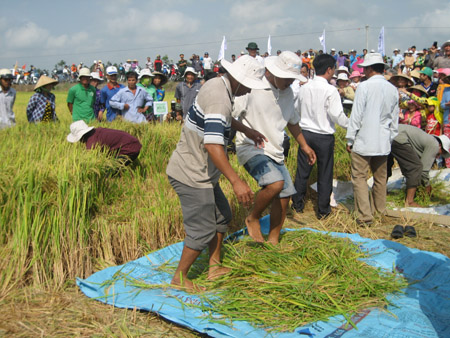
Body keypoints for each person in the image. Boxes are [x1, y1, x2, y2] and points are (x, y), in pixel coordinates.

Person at [165, 55, 268, 291]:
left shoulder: (217, 84)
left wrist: (246, 130)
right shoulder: (220, 97)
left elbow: (221, 119)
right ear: (240, 81)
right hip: (192, 174)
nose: (250, 90)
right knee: (202, 229)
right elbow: (213, 145)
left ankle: (214, 267)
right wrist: (236, 181)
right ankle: (179, 278)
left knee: (222, 216)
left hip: (203, 172)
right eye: (250, 85)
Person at [233, 51, 316, 244]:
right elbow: (230, 114)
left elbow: (292, 122)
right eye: (287, 78)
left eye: (292, 79)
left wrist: (304, 146)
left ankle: (273, 241)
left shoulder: (288, 93)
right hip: (251, 147)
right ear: (274, 72)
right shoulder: (254, 87)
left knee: (285, 195)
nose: (289, 83)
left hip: (275, 150)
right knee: (275, 184)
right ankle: (253, 217)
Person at [292, 54, 349, 218]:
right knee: (325, 173)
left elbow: (296, 109)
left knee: (302, 172)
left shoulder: (304, 88)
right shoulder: (330, 90)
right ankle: (323, 210)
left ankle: (297, 205)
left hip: (306, 134)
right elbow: (336, 115)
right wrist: (353, 125)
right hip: (324, 136)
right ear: (329, 70)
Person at [346, 53, 399, 225]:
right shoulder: (392, 89)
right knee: (380, 178)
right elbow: (395, 118)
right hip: (382, 141)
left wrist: (350, 138)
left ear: (369, 69)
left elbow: (357, 114)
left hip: (364, 139)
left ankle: (365, 216)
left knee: (360, 177)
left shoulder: (364, 87)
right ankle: (380, 210)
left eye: (365, 69)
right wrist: (390, 138)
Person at [389, 124, 450, 206]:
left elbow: (406, 164)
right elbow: (423, 171)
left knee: (387, 164)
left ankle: (380, 193)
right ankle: (409, 201)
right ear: (440, 146)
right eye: (441, 153)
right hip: (399, 137)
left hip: (389, 133)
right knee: (416, 167)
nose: (438, 156)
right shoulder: (434, 145)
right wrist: (427, 186)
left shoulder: (426, 140)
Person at [67, 120, 142, 163]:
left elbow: (92, 160)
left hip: (130, 149)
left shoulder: (92, 142)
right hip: (133, 144)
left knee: (108, 171)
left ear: (82, 136)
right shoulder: (96, 132)